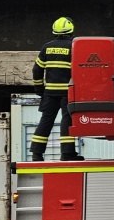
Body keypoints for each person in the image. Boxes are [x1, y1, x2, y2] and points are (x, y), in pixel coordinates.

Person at [30, 17, 80, 162]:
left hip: (50, 93)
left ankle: (36, 154)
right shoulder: (74, 47)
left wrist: (39, 88)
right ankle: (67, 153)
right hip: (67, 92)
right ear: (71, 30)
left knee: (46, 120)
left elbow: (36, 70)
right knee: (67, 120)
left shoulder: (47, 47)